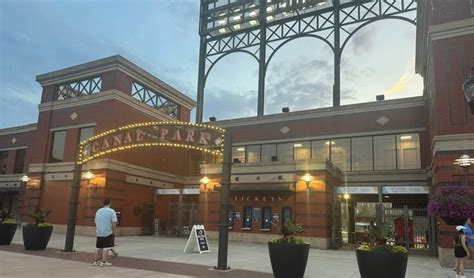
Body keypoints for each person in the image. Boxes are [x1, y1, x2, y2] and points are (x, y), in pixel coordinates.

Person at [92, 198, 117, 267]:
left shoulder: (98, 211)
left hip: (99, 232)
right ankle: (103, 262)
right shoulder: (111, 211)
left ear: (103, 203)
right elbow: (114, 222)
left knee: (98, 247)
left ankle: (95, 261)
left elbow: (95, 221)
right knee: (106, 247)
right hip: (107, 232)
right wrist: (113, 231)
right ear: (110, 203)